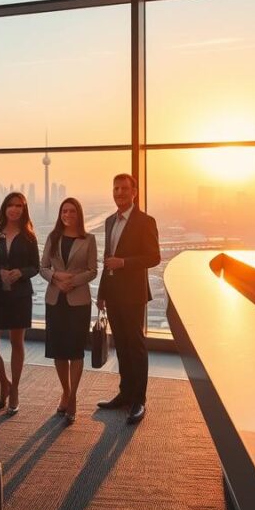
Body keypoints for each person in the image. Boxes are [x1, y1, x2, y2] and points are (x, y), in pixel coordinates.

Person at [96, 174, 160, 425]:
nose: (119, 193)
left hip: (133, 294)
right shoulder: (110, 221)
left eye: (124, 189)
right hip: (112, 293)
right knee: (121, 345)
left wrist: (123, 263)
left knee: (135, 345)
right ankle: (125, 394)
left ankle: (139, 400)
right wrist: (101, 292)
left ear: (135, 192)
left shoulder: (145, 221)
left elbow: (153, 257)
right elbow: (106, 257)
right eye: (116, 188)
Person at [40, 198, 97, 425]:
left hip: (78, 301)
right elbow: (42, 267)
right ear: (60, 214)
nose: (68, 214)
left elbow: (93, 270)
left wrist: (72, 281)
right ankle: (65, 391)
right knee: (58, 350)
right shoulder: (53, 238)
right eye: (64, 211)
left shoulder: (89, 239)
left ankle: (73, 398)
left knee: (75, 351)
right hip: (55, 300)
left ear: (79, 214)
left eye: (72, 211)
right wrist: (55, 277)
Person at [0, 192, 40, 414]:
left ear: (24, 209)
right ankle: (4, 383)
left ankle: (15, 390)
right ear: (4, 208)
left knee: (17, 343)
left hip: (20, 296)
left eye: (19, 205)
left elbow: (35, 266)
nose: (15, 209)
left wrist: (21, 272)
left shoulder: (29, 236)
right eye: (11, 205)